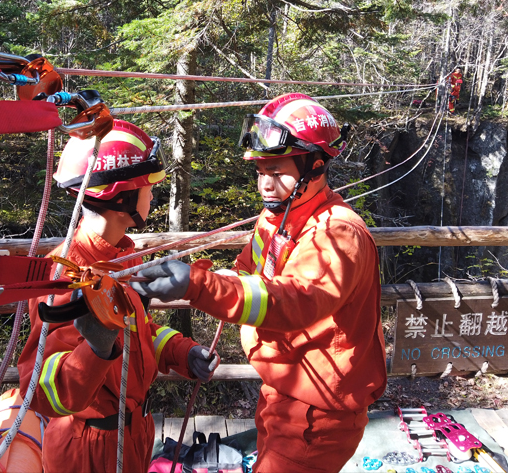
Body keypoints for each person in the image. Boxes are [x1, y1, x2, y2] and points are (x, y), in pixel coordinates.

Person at [132, 94, 387, 473]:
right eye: (260, 172)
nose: (265, 184)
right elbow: (247, 275)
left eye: (277, 172)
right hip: (283, 389)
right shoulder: (275, 218)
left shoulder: (337, 233)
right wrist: (202, 281)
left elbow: (296, 301)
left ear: (315, 167)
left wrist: (197, 287)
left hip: (319, 411)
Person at [17, 119, 219, 473]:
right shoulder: (65, 275)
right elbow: (41, 392)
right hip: (88, 450)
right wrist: (95, 350)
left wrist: (182, 352)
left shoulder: (124, 259)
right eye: (147, 186)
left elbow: (140, 334)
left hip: (134, 434)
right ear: (120, 197)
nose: (152, 195)